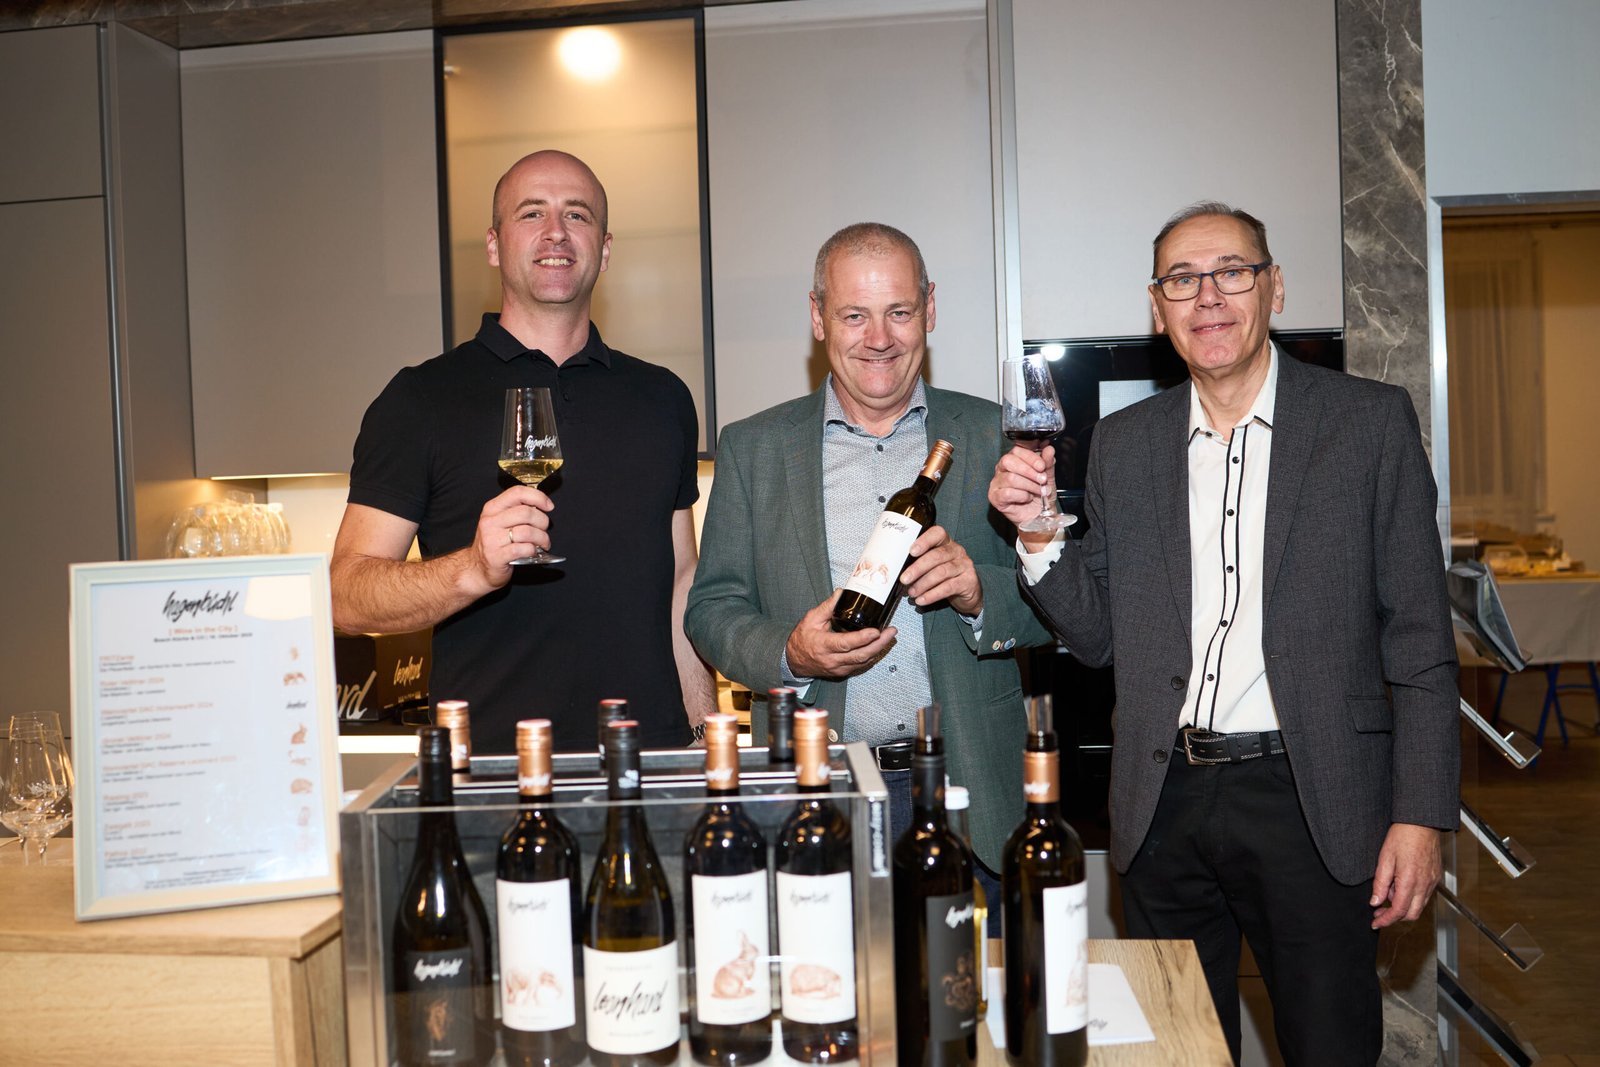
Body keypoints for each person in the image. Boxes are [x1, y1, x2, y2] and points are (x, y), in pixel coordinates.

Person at [988, 202, 1459, 1064]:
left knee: (1330, 1048)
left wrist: (1421, 814)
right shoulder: (1124, 445)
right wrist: (1040, 534)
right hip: (1163, 799)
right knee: (1175, 1050)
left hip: (1314, 798)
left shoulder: (1367, 424)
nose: (1208, 296)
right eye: (1182, 279)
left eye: (1232, 271)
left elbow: (1422, 641)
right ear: (1157, 308)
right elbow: (1097, 639)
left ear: (1275, 287)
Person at [686, 221, 1051, 886]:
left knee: (979, 959)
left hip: (972, 797)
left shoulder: (994, 435)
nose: (879, 338)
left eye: (899, 312)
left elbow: (1061, 603)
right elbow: (711, 608)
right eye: (854, 315)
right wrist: (790, 652)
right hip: (817, 793)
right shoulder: (753, 448)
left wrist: (980, 594)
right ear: (818, 316)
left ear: (930, 309)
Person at [330, 150, 714, 753]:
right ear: (494, 244)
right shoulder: (420, 399)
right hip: (494, 770)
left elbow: (680, 582)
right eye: (532, 213)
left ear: (604, 249)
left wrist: (699, 734)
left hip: (648, 763)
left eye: (577, 215)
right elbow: (344, 595)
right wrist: (472, 569)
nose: (556, 231)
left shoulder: (662, 397)